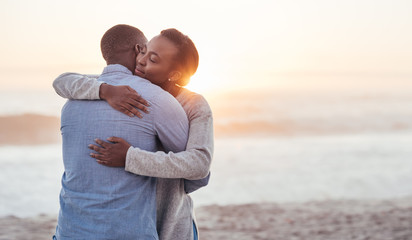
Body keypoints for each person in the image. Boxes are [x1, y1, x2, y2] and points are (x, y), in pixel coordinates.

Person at [53, 28, 214, 240]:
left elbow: (200, 167)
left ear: (174, 74)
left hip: (169, 221)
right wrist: (104, 91)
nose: (141, 61)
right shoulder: (119, 90)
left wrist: (130, 157)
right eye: (143, 52)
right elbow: (63, 81)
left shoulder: (193, 105)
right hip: (132, 221)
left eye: (153, 59)